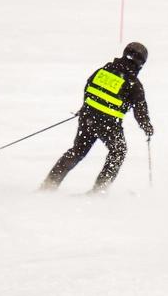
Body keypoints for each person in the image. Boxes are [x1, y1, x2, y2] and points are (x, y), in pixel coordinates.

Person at [42, 42, 154, 193]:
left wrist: (85, 108)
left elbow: (88, 87)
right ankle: (98, 191)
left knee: (77, 151)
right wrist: (147, 127)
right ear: (140, 63)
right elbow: (140, 111)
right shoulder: (134, 84)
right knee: (119, 151)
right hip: (108, 124)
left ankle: (49, 185)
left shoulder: (104, 70)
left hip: (87, 118)